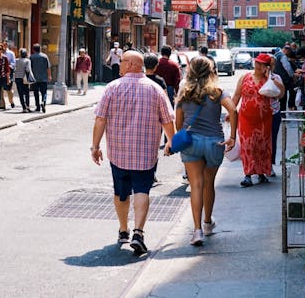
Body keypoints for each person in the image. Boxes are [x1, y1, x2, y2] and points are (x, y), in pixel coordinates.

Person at [91, 50, 175, 256]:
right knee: (142, 191)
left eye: (121, 62)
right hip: (145, 154)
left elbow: (100, 119)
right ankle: (138, 232)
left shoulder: (112, 88)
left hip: (119, 153)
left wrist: (95, 146)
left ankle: (123, 230)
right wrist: (172, 142)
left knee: (121, 193)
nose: (118, 65)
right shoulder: (156, 90)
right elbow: (167, 120)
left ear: (130, 65)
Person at [171, 56, 238, 246]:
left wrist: (183, 136)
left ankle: (197, 230)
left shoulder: (184, 93)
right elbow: (233, 110)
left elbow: (178, 123)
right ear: (211, 71)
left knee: (196, 185)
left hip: (192, 142)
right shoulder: (217, 92)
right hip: (214, 143)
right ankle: (208, 223)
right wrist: (232, 136)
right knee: (209, 184)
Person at [232, 52, 284, 188]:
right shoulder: (245, 77)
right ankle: (248, 174)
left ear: (267, 66)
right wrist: (231, 111)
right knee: (248, 144)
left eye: (262, 64)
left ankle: (261, 172)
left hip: (264, 119)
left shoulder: (271, 80)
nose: (258, 66)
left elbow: (281, 93)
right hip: (245, 118)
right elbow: (237, 94)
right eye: (257, 62)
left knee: (261, 146)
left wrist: (270, 78)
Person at [273, 43, 298, 111]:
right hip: (283, 79)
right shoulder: (282, 56)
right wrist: (292, 76)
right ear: (285, 50)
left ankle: (278, 110)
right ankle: (283, 112)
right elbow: (288, 68)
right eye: (288, 52)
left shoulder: (276, 55)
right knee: (284, 95)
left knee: (278, 96)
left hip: (276, 78)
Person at [30, 42, 51, 113]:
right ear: (40, 49)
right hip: (43, 78)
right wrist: (49, 76)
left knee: (36, 93)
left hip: (35, 78)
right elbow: (48, 67)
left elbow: (30, 68)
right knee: (44, 92)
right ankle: (43, 102)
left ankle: (38, 106)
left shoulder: (31, 57)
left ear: (33, 49)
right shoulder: (45, 56)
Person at [15, 48, 34, 112]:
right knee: (26, 93)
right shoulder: (27, 61)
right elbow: (28, 69)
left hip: (17, 78)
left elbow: (14, 68)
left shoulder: (16, 60)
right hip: (25, 79)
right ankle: (27, 106)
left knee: (20, 93)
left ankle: (24, 107)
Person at [2, 40, 16, 109]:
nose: (3, 47)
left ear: (7, 46)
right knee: (0, 89)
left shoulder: (11, 53)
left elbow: (14, 63)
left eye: (4, 45)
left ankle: (11, 102)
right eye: (2, 45)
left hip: (9, 73)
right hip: (1, 74)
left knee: (9, 90)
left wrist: (9, 66)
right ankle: (2, 104)